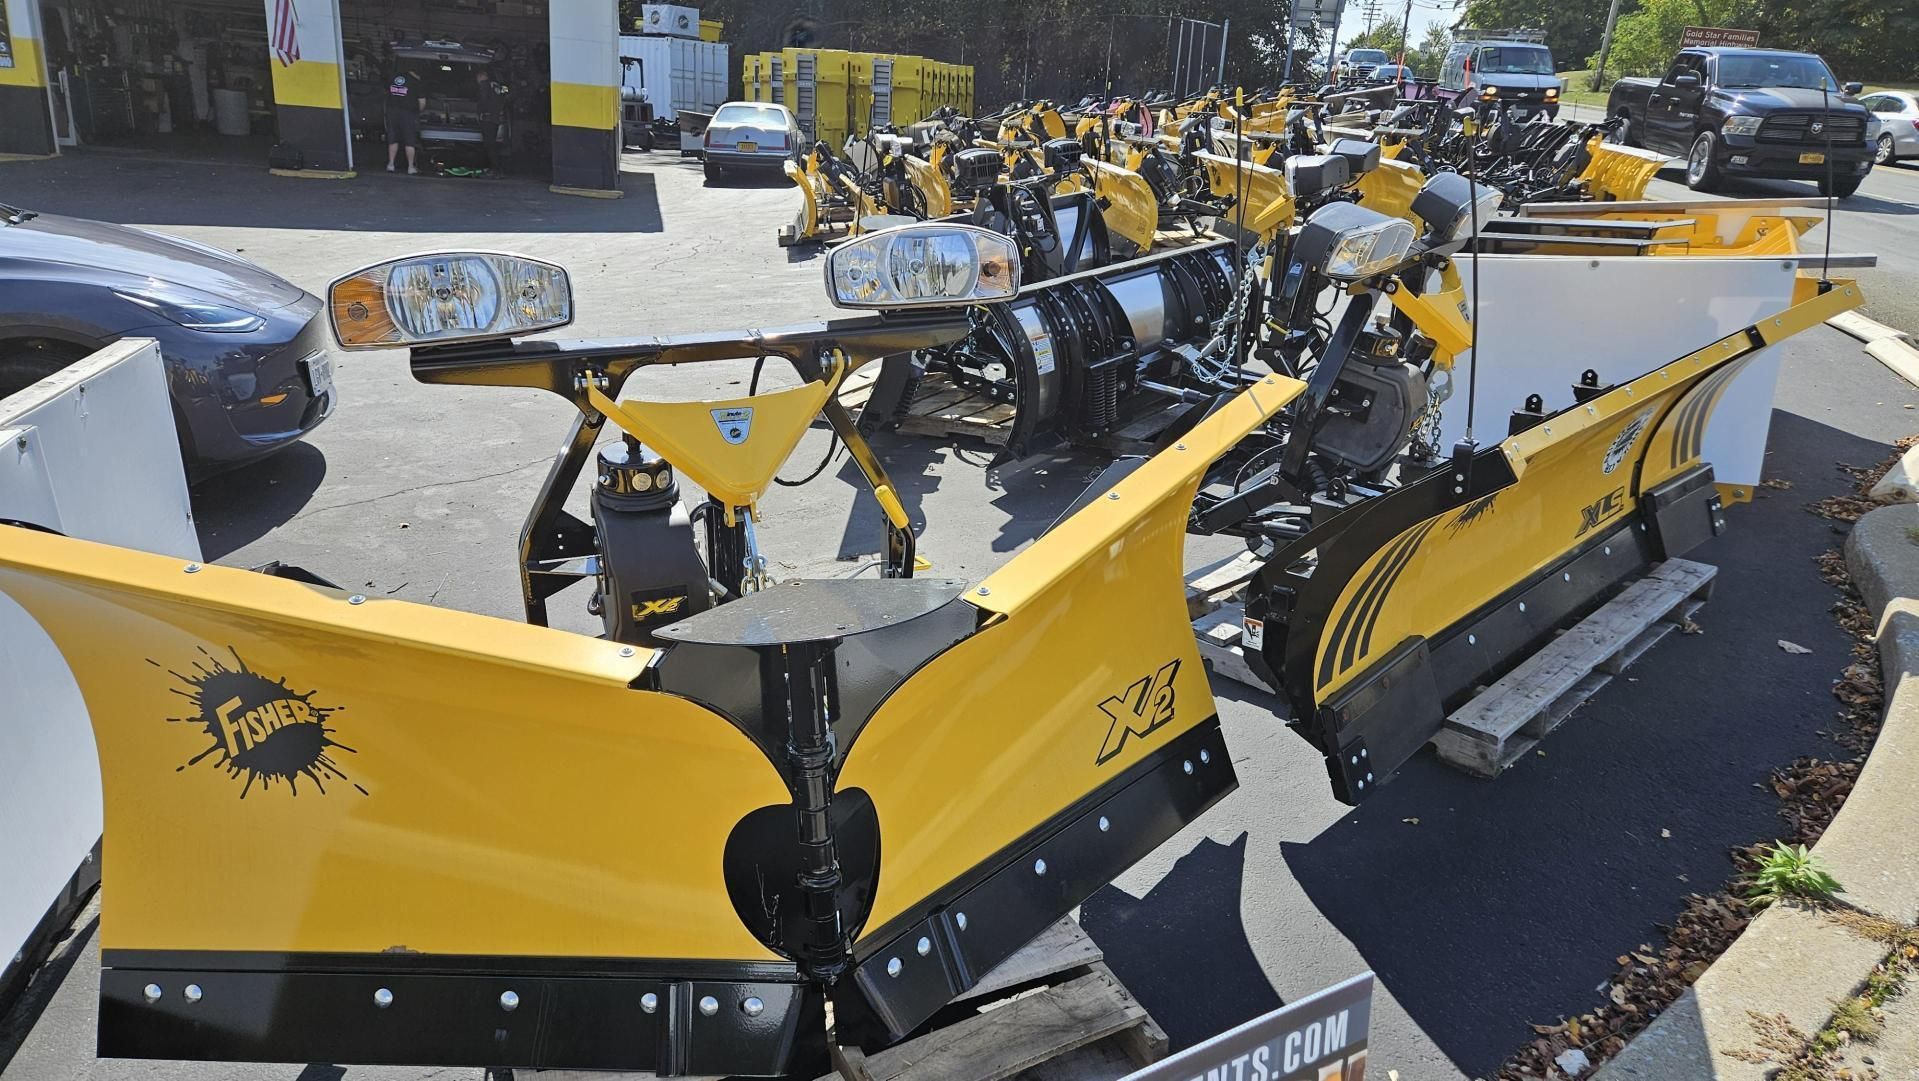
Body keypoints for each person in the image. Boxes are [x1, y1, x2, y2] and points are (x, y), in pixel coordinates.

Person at [385, 68, 423, 174]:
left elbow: (386, 94)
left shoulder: (392, 78)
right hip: (408, 114)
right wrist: (417, 112)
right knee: (409, 141)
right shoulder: (416, 82)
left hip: (392, 112)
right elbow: (422, 102)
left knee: (393, 139)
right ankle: (410, 167)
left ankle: (391, 164)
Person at [475, 68, 509, 173]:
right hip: (496, 119)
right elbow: (506, 95)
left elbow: (483, 101)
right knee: (492, 144)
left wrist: (479, 111)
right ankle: (495, 168)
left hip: (488, 119)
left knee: (489, 145)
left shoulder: (484, 85)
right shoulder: (497, 85)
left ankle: (495, 169)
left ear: (481, 77)